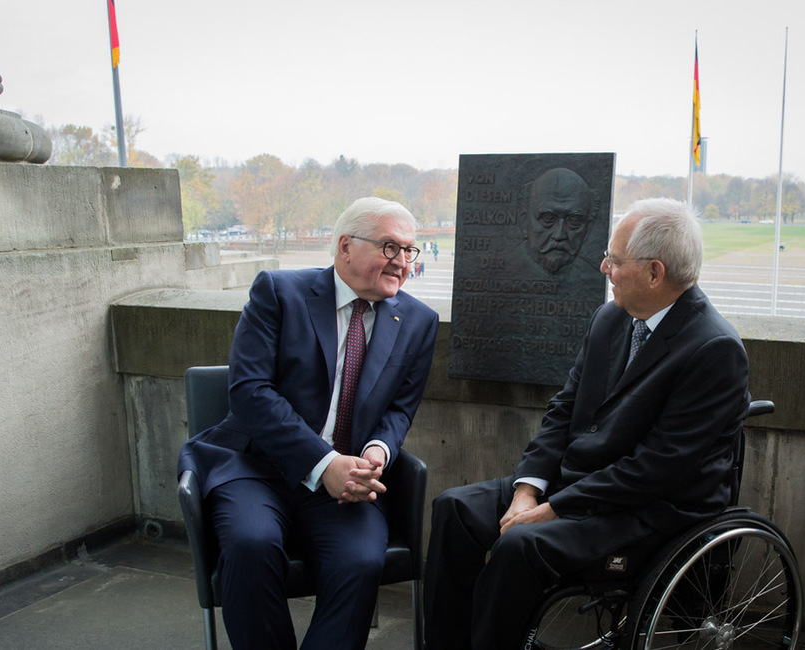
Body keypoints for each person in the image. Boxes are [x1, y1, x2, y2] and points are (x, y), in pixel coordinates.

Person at [424, 197, 751, 650]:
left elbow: (657, 468)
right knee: (454, 509)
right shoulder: (610, 318)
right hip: (579, 485)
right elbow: (564, 409)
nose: (603, 268)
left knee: (520, 546)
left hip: (649, 510)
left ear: (655, 272)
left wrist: (551, 510)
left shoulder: (714, 349)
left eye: (614, 260)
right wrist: (527, 491)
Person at [179, 197, 439, 650]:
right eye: (389, 247)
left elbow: (399, 410)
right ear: (345, 247)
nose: (402, 262)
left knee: (360, 561)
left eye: (409, 250)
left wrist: (377, 453)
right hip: (253, 467)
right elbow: (250, 394)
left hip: (347, 480)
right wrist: (325, 463)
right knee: (251, 544)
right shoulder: (279, 293)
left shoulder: (418, 320)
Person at [520, 167, 599, 274]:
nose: (559, 235)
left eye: (574, 220)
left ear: (588, 229)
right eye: (548, 218)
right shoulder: (502, 270)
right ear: (525, 223)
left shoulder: (593, 275)